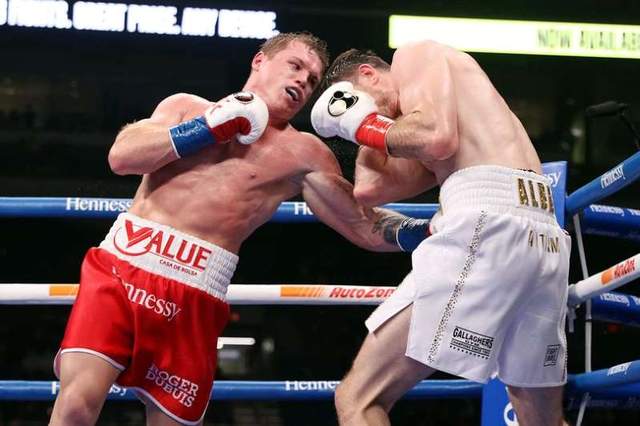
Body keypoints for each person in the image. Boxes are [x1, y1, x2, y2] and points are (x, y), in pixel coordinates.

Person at [49, 33, 431, 426]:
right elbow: (122, 156)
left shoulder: (305, 154)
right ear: (259, 61)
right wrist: (209, 127)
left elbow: (362, 224)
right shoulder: (186, 107)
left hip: (196, 292)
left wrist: (432, 229)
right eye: (295, 66)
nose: (303, 80)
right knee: (76, 406)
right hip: (123, 267)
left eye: (313, 80)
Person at [311, 41, 571, 426]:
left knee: (358, 398)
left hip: (488, 225)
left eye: (356, 96)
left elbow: (436, 137)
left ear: (368, 73)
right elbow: (369, 190)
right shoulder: (435, 116)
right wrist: (362, 125)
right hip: (542, 237)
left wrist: (366, 123)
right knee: (542, 421)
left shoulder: (416, 55)